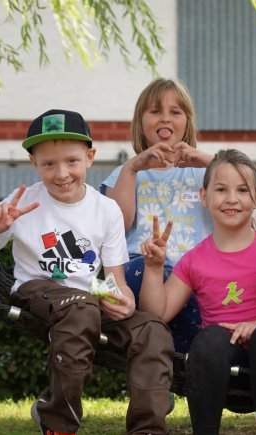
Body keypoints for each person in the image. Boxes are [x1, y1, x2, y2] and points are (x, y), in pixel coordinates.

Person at [0, 109, 174, 435]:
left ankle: (147, 431)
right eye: (49, 164)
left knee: (151, 329)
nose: (62, 173)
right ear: (34, 163)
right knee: (81, 308)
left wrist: (122, 299)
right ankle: (58, 425)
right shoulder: (22, 203)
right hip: (36, 294)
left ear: (90, 157)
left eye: (71, 161)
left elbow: (115, 281)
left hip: (88, 301)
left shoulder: (106, 210)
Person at [138, 149, 256, 435]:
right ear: (203, 196)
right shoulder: (194, 260)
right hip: (218, 358)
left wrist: (255, 326)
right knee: (210, 338)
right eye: (221, 189)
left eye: (242, 190)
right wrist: (153, 268)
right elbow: (157, 314)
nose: (231, 199)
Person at [101, 78, 214, 353]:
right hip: (140, 269)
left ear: (187, 122)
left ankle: (179, 363)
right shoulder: (125, 173)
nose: (165, 118)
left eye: (175, 112)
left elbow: (244, 193)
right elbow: (117, 225)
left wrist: (208, 161)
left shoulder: (207, 174)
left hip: (192, 276)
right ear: (140, 123)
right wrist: (132, 168)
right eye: (155, 111)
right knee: (145, 273)